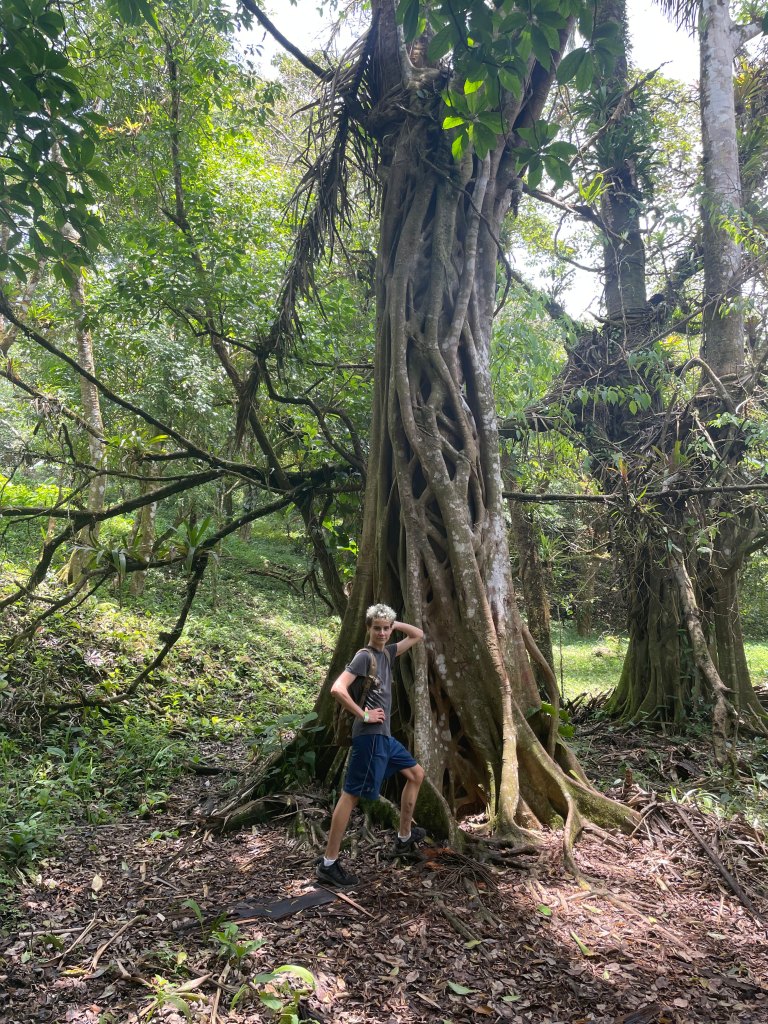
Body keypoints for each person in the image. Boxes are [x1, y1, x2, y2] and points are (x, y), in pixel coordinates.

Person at [316, 603, 426, 887]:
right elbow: (337, 688)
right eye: (376, 627)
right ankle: (329, 864)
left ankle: (403, 839)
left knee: (416, 774)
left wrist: (394, 622)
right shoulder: (364, 656)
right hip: (370, 737)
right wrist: (363, 713)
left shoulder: (387, 652)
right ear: (368, 628)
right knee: (350, 795)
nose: (382, 632)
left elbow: (418, 635)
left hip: (385, 738)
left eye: (386, 628)